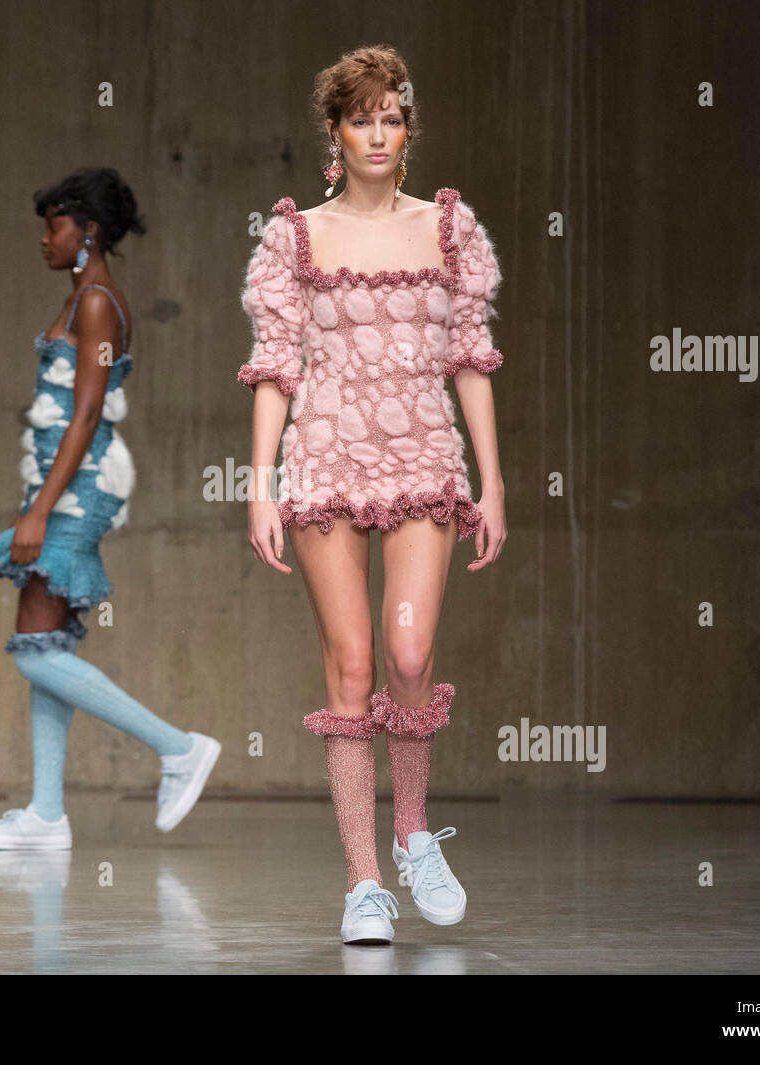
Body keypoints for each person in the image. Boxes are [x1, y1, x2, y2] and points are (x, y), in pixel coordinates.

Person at [239, 47, 507, 944]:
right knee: (352, 665)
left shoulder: (449, 229)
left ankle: (413, 831)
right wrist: (261, 483)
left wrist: (494, 481)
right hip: (324, 450)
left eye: (392, 117)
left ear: (409, 128)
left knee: (408, 647)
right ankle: (362, 883)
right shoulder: (295, 236)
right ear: (335, 133)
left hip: (423, 450)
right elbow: (275, 366)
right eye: (363, 119)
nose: (379, 133)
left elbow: (470, 357)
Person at [0, 167, 221, 851]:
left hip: (75, 492)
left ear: (91, 231)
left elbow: (86, 416)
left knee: (33, 652)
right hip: (58, 485)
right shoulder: (85, 298)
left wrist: (39, 514)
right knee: (46, 644)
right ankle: (47, 813)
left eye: (55, 226)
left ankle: (179, 747)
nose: (45, 239)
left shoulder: (99, 303)